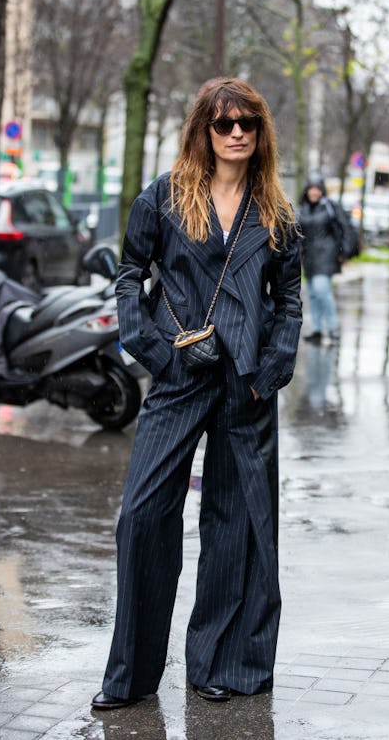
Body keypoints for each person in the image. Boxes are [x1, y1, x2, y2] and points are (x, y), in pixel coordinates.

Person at [91, 78, 302, 710]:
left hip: (246, 386)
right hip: (179, 376)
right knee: (143, 516)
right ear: (202, 131)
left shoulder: (276, 214)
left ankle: (221, 662)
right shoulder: (163, 197)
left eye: (248, 123)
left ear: (261, 133)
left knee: (236, 526)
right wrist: (155, 350)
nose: (236, 133)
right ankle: (130, 676)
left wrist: (270, 373)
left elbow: (288, 304)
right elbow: (130, 277)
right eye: (223, 123)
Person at [297, 174, 357, 344]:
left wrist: (345, 252)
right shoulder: (303, 209)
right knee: (313, 293)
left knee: (322, 290)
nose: (314, 192)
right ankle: (316, 328)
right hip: (308, 257)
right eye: (311, 188)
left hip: (327, 255)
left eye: (317, 188)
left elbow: (346, 227)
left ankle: (332, 328)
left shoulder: (330, 207)